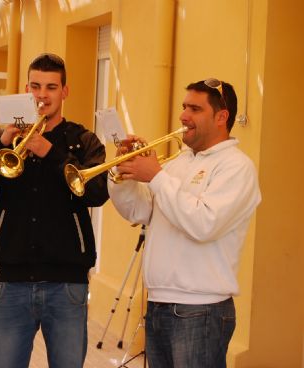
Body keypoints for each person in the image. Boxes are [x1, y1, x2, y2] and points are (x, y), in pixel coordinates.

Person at [0, 53, 109, 368]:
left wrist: (51, 153)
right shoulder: (7, 142)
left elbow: (97, 192)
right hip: (12, 282)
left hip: (67, 284)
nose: (43, 95)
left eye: (51, 87)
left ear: (64, 91)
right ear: (27, 89)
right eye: (36, 86)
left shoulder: (83, 141)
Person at [108, 79, 261, 368]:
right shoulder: (178, 162)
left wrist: (156, 176)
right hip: (159, 305)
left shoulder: (237, 167)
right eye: (183, 107)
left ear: (221, 117)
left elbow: (204, 224)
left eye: (194, 108)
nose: (183, 116)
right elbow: (138, 211)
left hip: (201, 310)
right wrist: (122, 172)